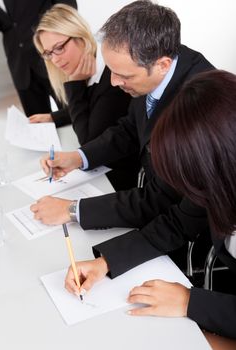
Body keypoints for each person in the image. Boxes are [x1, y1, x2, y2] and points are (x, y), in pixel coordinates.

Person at [31, 1, 214, 264]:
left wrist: (73, 210)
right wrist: (79, 157)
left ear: (162, 64)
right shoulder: (154, 63)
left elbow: (161, 200)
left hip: (189, 237)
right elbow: (129, 128)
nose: (114, 82)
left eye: (121, 75)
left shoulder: (197, 110)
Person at [66, 70, 236, 348]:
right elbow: (177, 223)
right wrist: (105, 263)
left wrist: (190, 302)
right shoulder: (214, 176)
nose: (191, 192)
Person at [29, 3, 137, 191]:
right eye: (48, 53)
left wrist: (74, 84)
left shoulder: (111, 77)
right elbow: (93, 107)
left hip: (126, 177)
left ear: (81, 36)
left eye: (59, 47)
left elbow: (88, 141)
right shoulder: (87, 67)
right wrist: (55, 117)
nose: (55, 59)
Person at [0, 0, 77, 117]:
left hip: (51, 57)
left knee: (74, 113)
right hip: (20, 66)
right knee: (38, 125)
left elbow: (67, 5)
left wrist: (59, 35)